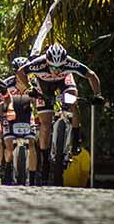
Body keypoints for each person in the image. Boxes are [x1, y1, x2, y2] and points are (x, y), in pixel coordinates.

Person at [16, 43, 103, 184]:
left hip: (64, 83)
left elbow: (91, 75)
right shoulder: (38, 64)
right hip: (44, 88)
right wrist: (28, 89)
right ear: (47, 62)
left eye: (60, 67)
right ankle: (45, 161)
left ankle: (75, 139)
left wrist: (98, 94)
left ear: (65, 62)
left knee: (72, 101)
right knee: (45, 125)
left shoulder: (70, 63)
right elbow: (20, 72)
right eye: (53, 67)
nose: (56, 70)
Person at [2, 57, 37, 185]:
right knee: (9, 146)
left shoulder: (34, 85)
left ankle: (32, 178)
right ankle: (7, 168)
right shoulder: (6, 84)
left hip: (27, 115)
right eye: (18, 72)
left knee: (32, 144)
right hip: (11, 116)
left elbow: (39, 101)